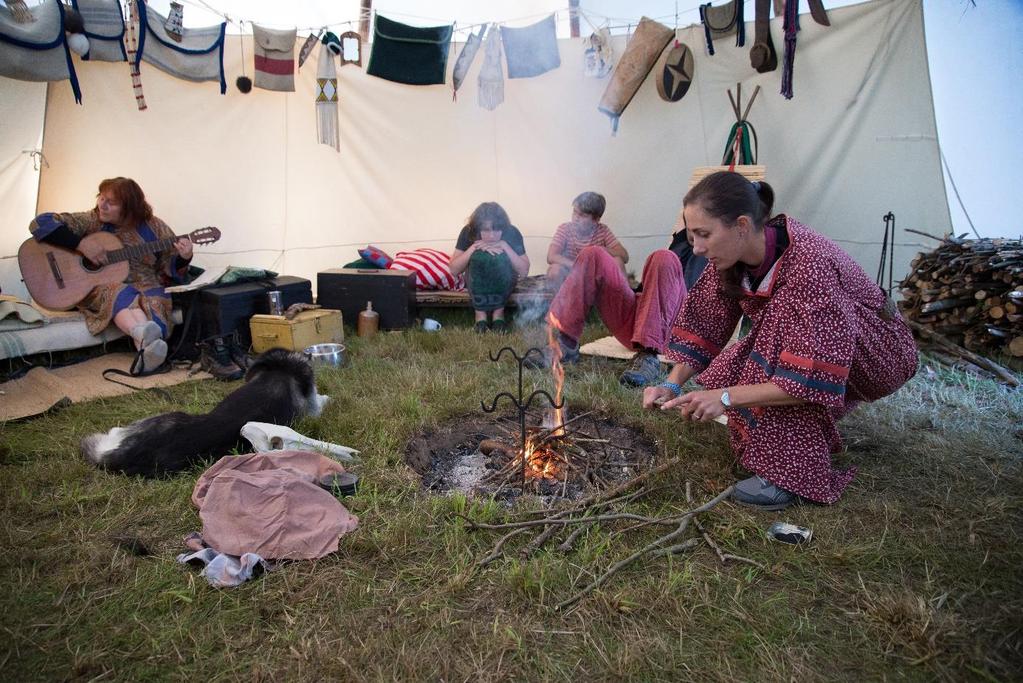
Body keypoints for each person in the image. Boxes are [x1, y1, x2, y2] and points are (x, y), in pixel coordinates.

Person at [643, 171, 918, 510]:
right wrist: (671, 386)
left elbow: (807, 378)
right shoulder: (730, 255)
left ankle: (791, 477)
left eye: (704, 235)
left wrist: (725, 398)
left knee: (771, 350)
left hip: (880, 353)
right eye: (691, 236)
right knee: (753, 353)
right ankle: (781, 443)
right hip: (828, 348)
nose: (697, 248)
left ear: (741, 225)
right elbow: (707, 324)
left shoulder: (807, 266)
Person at [28, 177, 193, 373]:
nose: (102, 206)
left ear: (129, 208)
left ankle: (146, 347)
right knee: (118, 290)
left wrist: (185, 257)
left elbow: (169, 264)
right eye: (101, 198)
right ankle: (143, 339)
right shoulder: (91, 220)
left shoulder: (154, 227)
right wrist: (80, 245)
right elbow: (40, 223)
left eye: (111, 202)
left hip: (145, 282)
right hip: (102, 285)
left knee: (157, 304)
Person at [531, 219, 707, 388]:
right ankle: (566, 343)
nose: (694, 233)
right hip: (640, 319)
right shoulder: (680, 240)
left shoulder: (718, 252)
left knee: (663, 257)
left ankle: (649, 357)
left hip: (674, 326)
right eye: (690, 225)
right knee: (592, 253)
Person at [449, 202, 530, 333]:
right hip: (475, 281)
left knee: (501, 259)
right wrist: (474, 248)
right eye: (486, 230)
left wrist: (504, 246)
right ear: (477, 228)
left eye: (496, 230)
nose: (492, 235)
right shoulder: (468, 232)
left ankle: (499, 314)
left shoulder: (511, 232)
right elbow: (454, 269)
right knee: (479, 257)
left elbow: (524, 270)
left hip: (505, 280)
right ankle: (480, 315)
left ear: (503, 227)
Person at [546, 191, 629, 293]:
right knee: (555, 270)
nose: (576, 217)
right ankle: (560, 305)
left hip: (596, 276)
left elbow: (624, 256)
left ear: (596, 220)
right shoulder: (565, 229)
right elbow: (551, 256)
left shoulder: (602, 230)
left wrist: (602, 250)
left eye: (582, 215)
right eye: (574, 212)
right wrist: (576, 266)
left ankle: (622, 301)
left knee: (618, 261)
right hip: (571, 274)